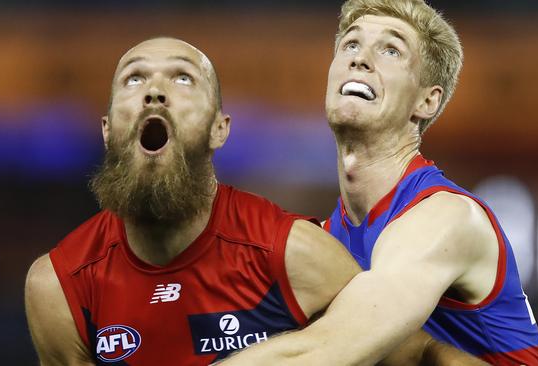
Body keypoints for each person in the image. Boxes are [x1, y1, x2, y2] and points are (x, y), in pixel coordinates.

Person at [24, 37, 483, 365]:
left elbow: (419, 356)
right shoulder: (59, 287)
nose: (154, 91)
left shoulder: (293, 253)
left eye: (183, 79)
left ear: (219, 129)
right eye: (134, 78)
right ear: (107, 130)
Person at [221, 0, 538, 365]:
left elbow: (327, 350)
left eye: (391, 49)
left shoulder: (445, 219)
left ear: (427, 100)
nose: (359, 59)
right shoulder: (330, 237)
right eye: (351, 44)